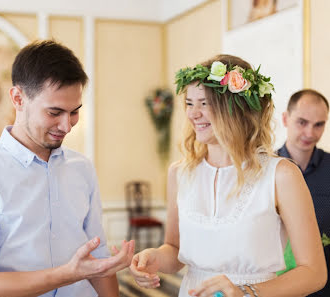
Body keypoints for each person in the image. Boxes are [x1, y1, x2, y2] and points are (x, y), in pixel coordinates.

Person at [0, 40, 135, 297]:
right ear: (18, 98)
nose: (67, 126)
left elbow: (98, 258)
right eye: (54, 112)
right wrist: (68, 273)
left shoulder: (82, 168)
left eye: (74, 112)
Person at [129, 55, 327, 297]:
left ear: (237, 109)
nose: (193, 114)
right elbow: (175, 248)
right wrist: (155, 257)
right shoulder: (179, 173)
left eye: (204, 103)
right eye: (190, 103)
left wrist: (245, 292)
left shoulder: (281, 175)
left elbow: (314, 272)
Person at [278, 89, 330, 296]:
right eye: (302, 122)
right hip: (276, 286)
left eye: (319, 125)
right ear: (285, 119)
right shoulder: (264, 169)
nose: (310, 133)